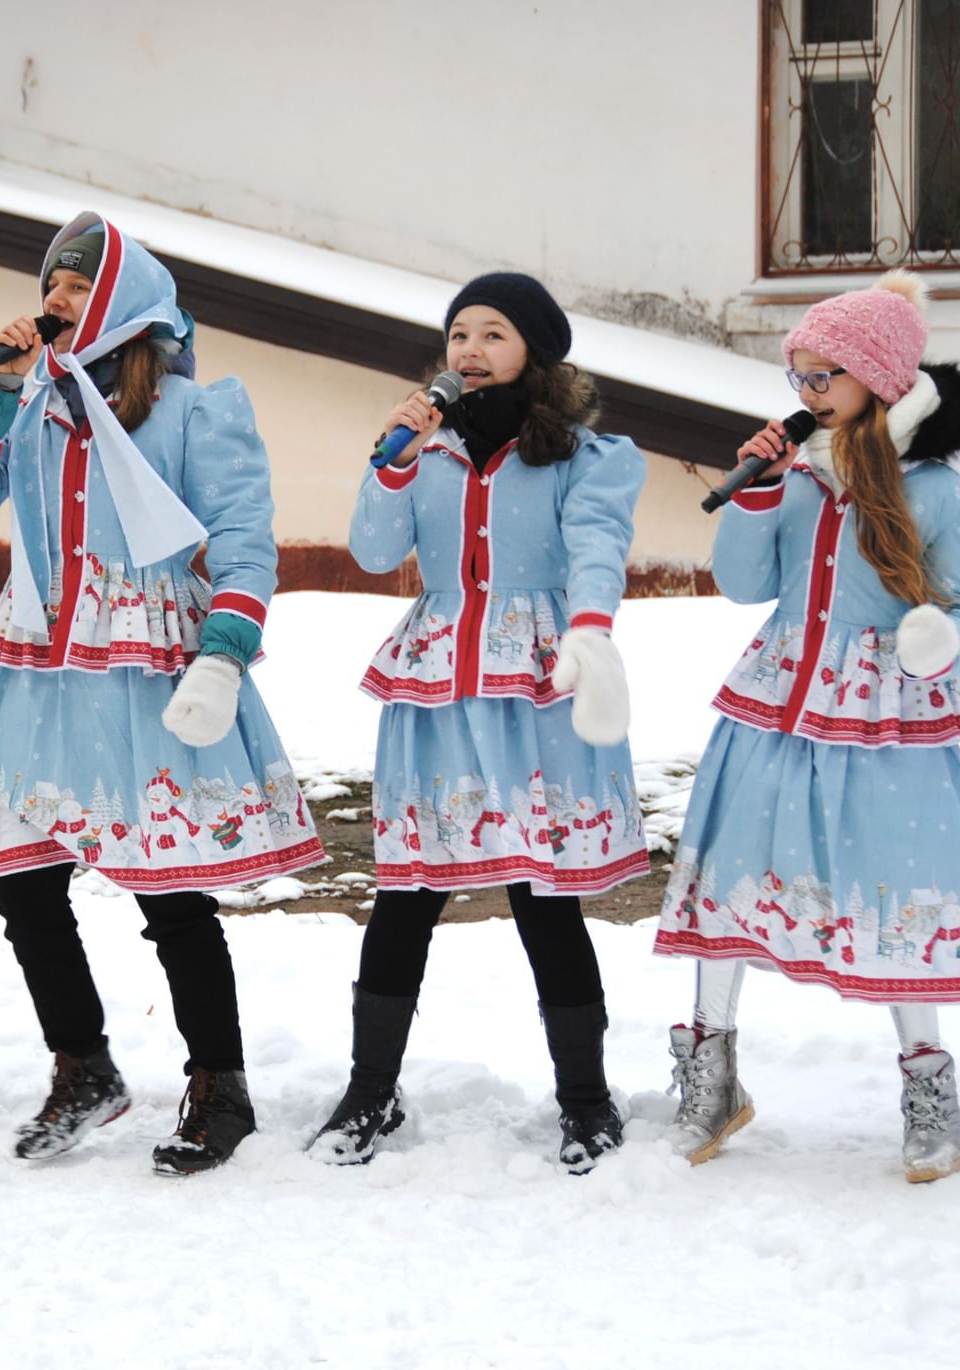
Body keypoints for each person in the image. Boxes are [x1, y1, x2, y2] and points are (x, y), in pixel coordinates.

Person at [0, 213, 325, 1175]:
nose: (53, 301)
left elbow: (242, 536)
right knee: (25, 885)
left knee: (171, 893)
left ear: (122, 303)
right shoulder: (31, 402)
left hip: (147, 667)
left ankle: (220, 1085)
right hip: (42, 663)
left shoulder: (194, 409)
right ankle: (83, 1067)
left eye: (74, 287)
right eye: (49, 286)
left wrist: (227, 648)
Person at [652, 270, 960, 1183]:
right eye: (798, 380)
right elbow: (744, 583)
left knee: (893, 884)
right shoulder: (801, 477)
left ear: (880, 381)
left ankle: (928, 1087)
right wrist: (760, 493)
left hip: (882, 719)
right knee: (734, 873)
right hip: (776, 703)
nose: (806, 397)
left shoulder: (934, 491)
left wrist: (935, 644)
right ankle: (711, 1071)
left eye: (824, 379)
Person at [312, 273, 647, 1173]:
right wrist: (390, 459)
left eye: (492, 333)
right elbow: (377, 551)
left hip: (537, 688)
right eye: (458, 333)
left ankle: (587, 1099)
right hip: (438, 691)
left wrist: (590, 634)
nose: (468, 350)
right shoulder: (425, 451)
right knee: (406, 899)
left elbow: (596, 555)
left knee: (546, 904)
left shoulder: (584, 457)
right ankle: (369, 1093)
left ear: (535, 351)